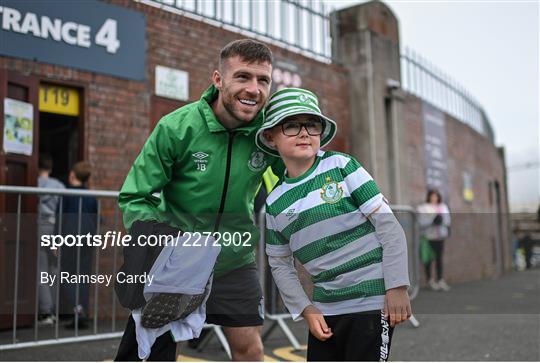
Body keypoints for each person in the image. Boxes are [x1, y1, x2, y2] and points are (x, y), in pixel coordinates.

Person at [115, 39, 283, 361]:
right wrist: (159, 246)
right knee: (156, 352)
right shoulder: (177, 127)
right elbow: (137, 195)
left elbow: (296, 176)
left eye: (263, 80)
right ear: (218, 80)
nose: (254, 89)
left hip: (235, 259)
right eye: (243, 77)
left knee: (250, 349)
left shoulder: (268, 135)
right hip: (179, 260)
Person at [256, 88, 411, 361]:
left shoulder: (342, 166)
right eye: (291, 125)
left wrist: (397, 286)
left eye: (312, 125)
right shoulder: (275, 202)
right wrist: (306, 309)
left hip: (372, 301)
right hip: (325, 309)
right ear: (270, 136)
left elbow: (388, 226)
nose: (304, 132)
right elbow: (279, 264)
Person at [56, 161, 98, 329]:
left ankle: (78, 310)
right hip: (87, 239)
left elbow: (60, 218)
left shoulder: (67, 194)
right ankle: (82, 312)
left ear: (72, 175)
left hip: (70, 239)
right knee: (82, 277)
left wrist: (55, 241)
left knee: (67, 276)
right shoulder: (91, 195)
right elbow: (95, 218)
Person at [37, 154, 65, 325]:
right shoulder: (59, 186)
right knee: (54, 270)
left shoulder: (34, 183)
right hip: (55, 227)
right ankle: (53, 309)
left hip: (40, 226)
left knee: (41, 269)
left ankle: (45, 311)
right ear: (51, 168)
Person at [417, 189, 451, 291]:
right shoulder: (423, 208)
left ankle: (440, 279)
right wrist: (432, 221)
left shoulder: (443, 207)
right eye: (432, 196)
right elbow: (421, 222)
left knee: (439, 258)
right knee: (428, 259)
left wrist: (441, 222)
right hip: (428, 237)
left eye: (436, 196)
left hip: (439, 236)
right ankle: (430, 280)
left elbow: (447, 221)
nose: (434, 198)